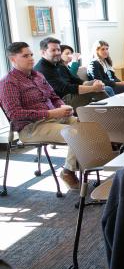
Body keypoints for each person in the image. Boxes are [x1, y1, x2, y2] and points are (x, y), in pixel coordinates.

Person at [0, 42, 79, 188]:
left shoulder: (38, 75)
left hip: (54, 118)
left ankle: (87, 167)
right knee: (76, 134)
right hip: (31, 127)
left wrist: (63, 106)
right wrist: (50, 113)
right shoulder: (8, 82)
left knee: (89, 126)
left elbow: (54, 97)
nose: (31, 58)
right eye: (25, 56)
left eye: (31, 55)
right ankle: (68, 171)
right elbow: (15, 114)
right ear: (13, 59)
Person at [34, 37, 111, 109]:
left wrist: (95, 83)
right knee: (94, 88)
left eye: (58, 50)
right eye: (53, 50)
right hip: (59, 102)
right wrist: (93, 88)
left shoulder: (58, 64)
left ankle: (112, 110)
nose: (57, 53)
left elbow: (75, 80)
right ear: (43, 52)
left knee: (95, 83)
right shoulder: (43, 69)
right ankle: (113, 110)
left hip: (68, 95)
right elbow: (65, 88)